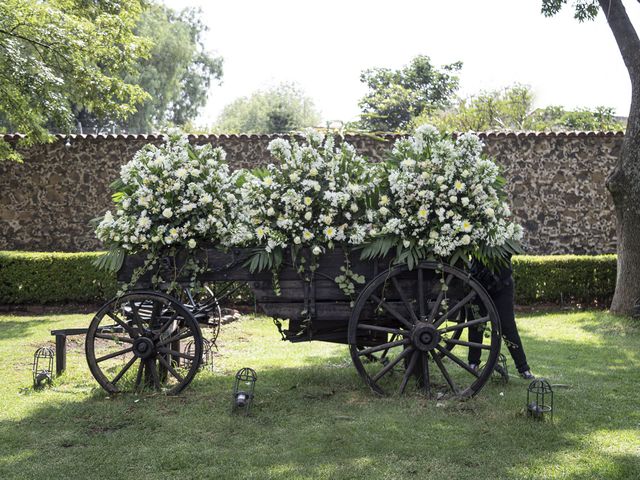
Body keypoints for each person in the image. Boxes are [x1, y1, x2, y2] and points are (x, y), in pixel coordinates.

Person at [467, 257, 535, 379]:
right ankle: (473, 363)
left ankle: (523, 368)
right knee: (475, 324)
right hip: (477, 278)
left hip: (503, 281)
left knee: (507, 325)